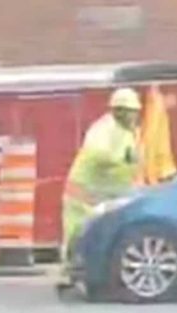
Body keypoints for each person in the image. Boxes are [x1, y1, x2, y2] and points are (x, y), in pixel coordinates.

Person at [59, 88, 142, 285]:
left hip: (106, 193)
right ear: (116, 111)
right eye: (127, 111)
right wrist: (120, 159)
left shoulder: (127, 131)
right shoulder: (104, 129)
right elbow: (98, 153)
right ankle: (72, 272)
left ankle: (91, 270)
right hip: (85, 194)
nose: (132, 115)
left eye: (133, 111)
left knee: (101, 232)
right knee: (78, 232)